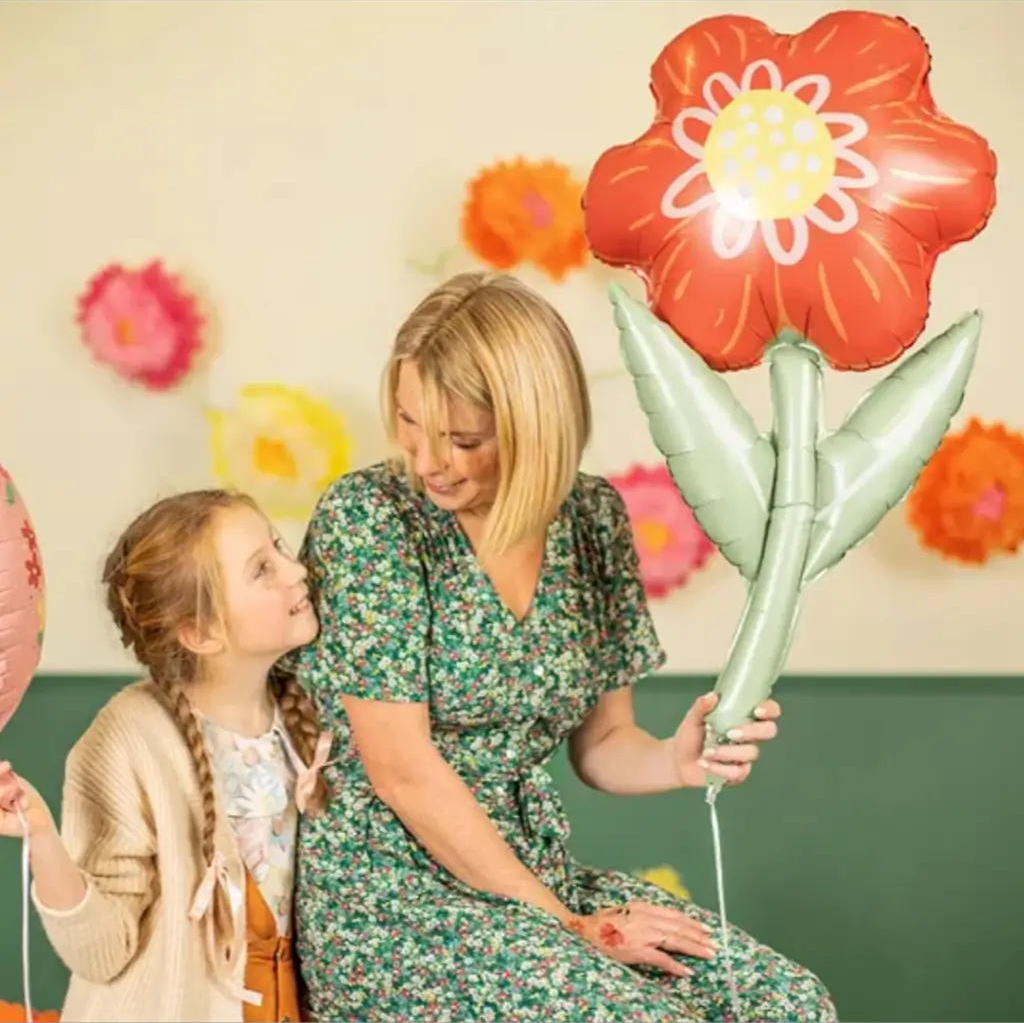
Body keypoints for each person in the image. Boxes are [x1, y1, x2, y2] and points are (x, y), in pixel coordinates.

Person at [293, 271, 838, 1022]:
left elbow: (603, 742)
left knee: (789, 1005)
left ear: (534, 426)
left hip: (535, 876)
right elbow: (403, 773)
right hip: (394, 900)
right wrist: (568, 925)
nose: (426, 460)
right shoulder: (371, 520)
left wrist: (673, 761)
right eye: (409, 422)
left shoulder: (591, 518)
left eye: (463, 439)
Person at [0, 490, 329, 1023]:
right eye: (262, 570)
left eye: (280, 548)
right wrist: (42, 836)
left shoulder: (313, 716)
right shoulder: (128, 739)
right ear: (199, 633)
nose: (297, 572)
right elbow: (102, 952)